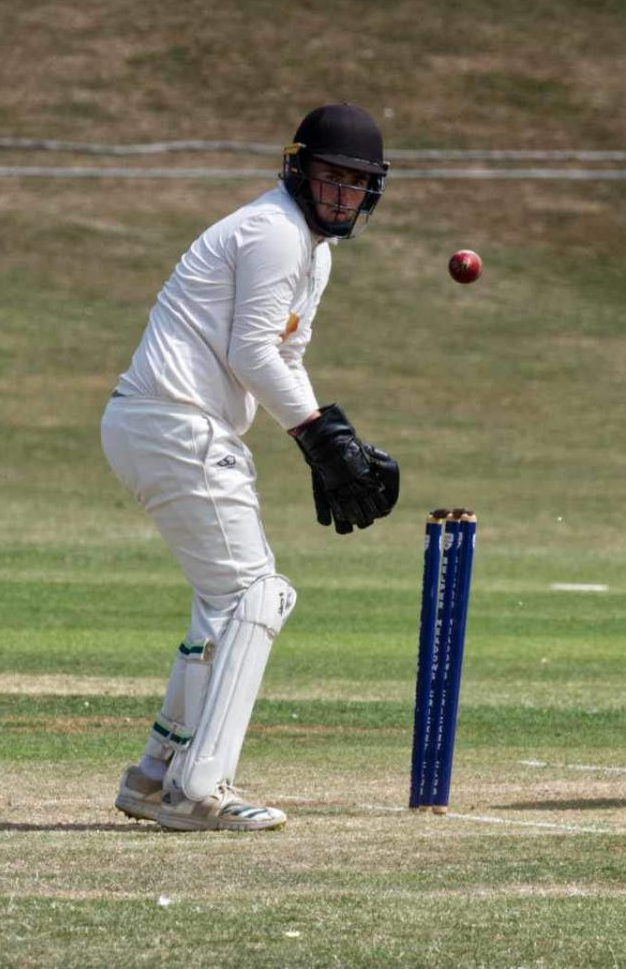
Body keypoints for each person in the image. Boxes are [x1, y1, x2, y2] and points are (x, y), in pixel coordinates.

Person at [101, 103, 401, 831]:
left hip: (164, 423)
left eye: (355, 183)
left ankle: (155, 775)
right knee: (256, 597)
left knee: (222, 606)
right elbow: (250, 353)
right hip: (176, 421)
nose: (341, 195)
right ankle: (199, 789)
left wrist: (322, 439)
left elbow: (284, 353)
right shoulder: (273, 230)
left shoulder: (313, 252)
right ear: (298, 170)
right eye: (330, 177)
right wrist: (321, 436)